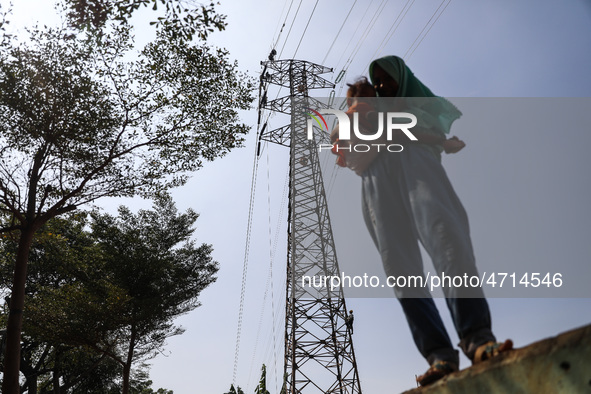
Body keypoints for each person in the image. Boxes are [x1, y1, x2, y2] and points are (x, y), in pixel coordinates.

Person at [357, 56, 511, 386]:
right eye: (377, 81)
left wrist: (428, 139)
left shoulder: (414, 104)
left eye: (387, 79)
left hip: (416, 168)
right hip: (376, 181)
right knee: (400, 268)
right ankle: (440, 357)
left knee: (447, 238)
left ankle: (479, 339)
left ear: (403, 77)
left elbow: (412, 133)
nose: (382, 86)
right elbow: (352, 154)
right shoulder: (366, 110)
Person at [330, 77, 466, 174]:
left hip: (360, 166)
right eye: (365, 95)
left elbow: (333, 139)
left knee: (401, 136)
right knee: (405, 135)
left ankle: (443, 142)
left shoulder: (345, 119)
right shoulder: (360, 107)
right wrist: (397, 107)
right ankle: (443, 142)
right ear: (350, 100)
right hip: (373, 150)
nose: (370, 100)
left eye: (373, 98)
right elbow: (382, 118)